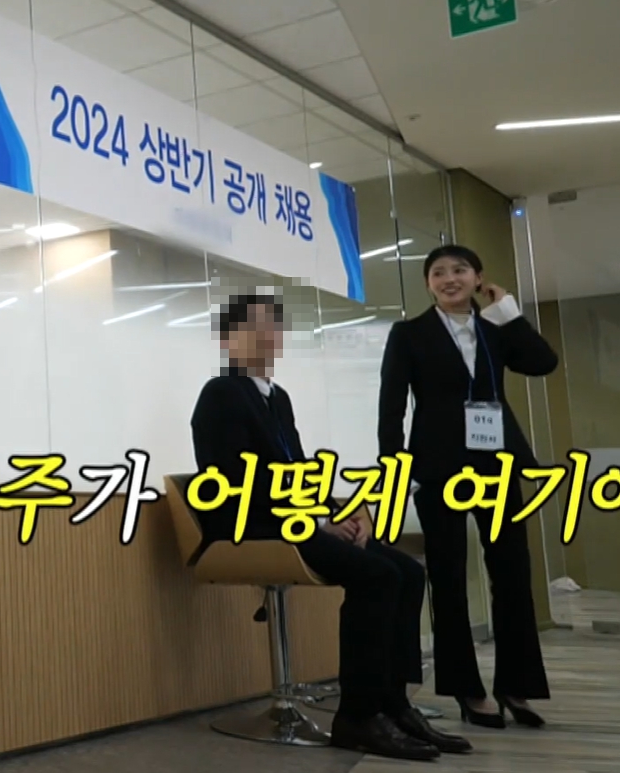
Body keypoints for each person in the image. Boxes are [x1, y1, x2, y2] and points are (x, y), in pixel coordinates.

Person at [191, 295, 471, 762]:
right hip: (252, 526)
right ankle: (357, 717)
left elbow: (298, 470)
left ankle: (394, 705)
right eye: (252, 327)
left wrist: (337, 513)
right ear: (228, 340)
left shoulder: (276, 398)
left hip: (293, 520)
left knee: (407, 571)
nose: (266, 336)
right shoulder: (221, 392)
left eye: (272, 327)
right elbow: (239, 480)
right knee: (376, 576)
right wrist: (317, 520)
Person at [378, 245, 559, 729]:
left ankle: (516, 686)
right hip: (438, 467)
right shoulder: (408, 334)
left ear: (478, 278)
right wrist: (395, 470)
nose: (449, 279)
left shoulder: (496, 328)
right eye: (438, 273)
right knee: (448, 575)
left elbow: (543, 363)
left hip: (497, 462)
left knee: (513, 572)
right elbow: (390, 407)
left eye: (459, 270)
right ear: (428, 284)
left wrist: (508, 312)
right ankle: (466, 689)